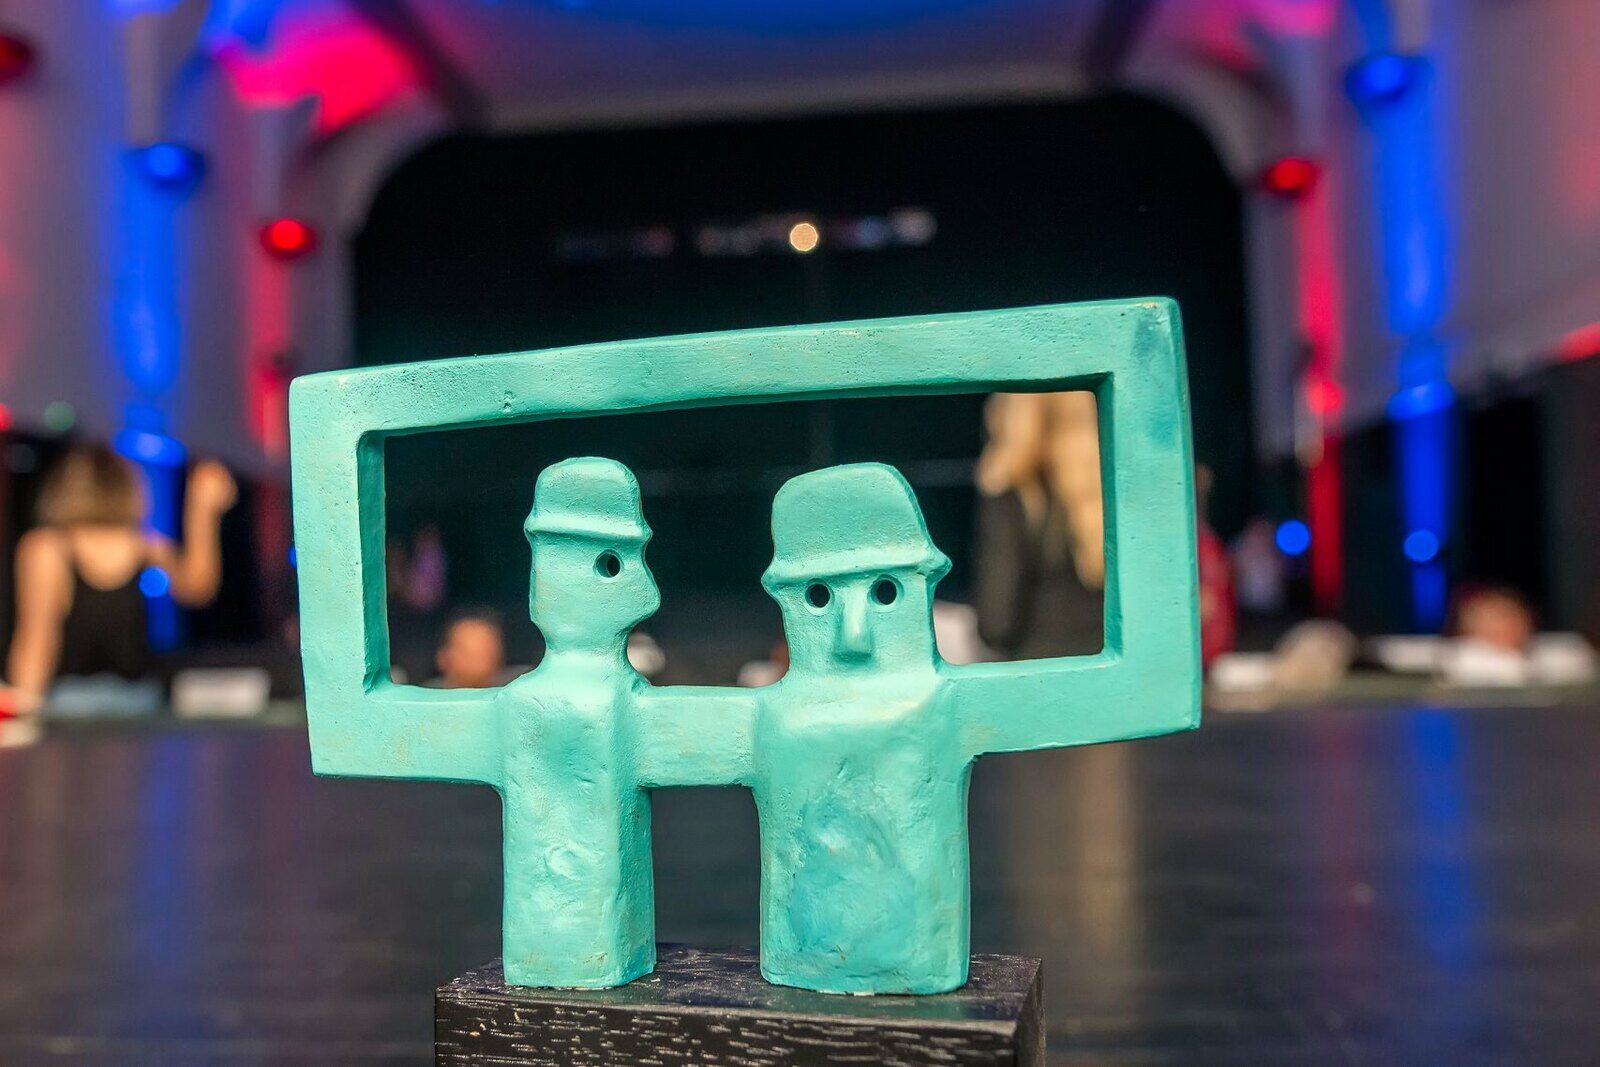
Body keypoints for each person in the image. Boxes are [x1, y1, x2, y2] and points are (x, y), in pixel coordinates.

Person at [6, 444, 236, 713]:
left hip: (82, 705)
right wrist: (202, 509)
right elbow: (198, 587)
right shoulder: (141, 543)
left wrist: (23, 707)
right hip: (137, 703)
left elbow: (38, 638)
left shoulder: (45, 547)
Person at [972, 390, 1104, 658]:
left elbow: (996, 623)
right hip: (1116, 669)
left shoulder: (1013, 494)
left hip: (1042, 671)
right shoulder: (1116, 492)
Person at [433, 608, 509, 689]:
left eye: (484, 653)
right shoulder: (430, 695)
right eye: (467, 654)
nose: (478, 663)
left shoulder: (513, 691)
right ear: (443, 657)